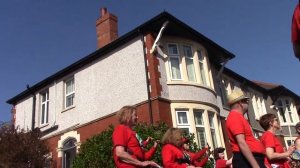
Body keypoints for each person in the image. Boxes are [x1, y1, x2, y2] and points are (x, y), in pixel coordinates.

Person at [225, 89, 266, 168]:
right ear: (240, 103)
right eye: (246, 101)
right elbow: (242, 143)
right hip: (245, 160)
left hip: (248, 159)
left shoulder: (239, 117)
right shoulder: (235, 117)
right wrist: (255, 166)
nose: (247, 104)